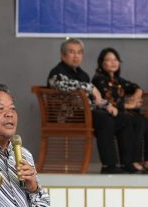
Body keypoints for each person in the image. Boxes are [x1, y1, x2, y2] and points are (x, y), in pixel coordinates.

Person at [47, 38, 135, 174]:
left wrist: (107, 105)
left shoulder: (82, 74)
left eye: (79, 52)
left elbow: (93, 99)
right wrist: (89, 87)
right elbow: (61, 85)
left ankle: (127, 164)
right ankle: (108, 166)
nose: (76, 55)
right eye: (71, 52)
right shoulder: (57, 73)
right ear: (63, 55)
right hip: (69, 117)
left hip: (85, 113)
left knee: (122, 118)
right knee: (104, 120)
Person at [92, 47, 148, 174]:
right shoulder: (99, 80)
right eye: (109, 60)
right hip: (108, 115)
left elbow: (135, 87)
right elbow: (107, 101)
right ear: (102, 63)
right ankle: (133, 161)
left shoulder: (118, 80)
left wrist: (137, 93)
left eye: (116, 59)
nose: (113, 62)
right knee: (138, 122)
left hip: (123, 113)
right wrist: (129, 106)